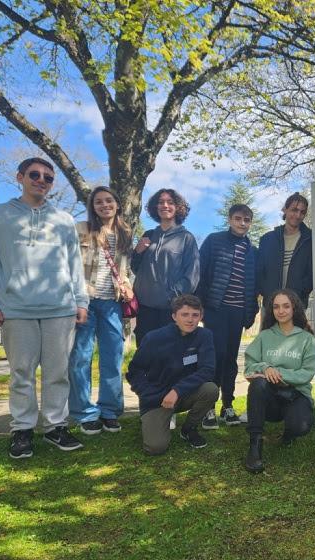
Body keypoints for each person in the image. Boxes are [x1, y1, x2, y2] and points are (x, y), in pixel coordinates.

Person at [0, 157, 89, 459]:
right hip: (15, 308)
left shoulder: (64, 220)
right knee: (21, 373)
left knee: (57, 373)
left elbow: (74, 265)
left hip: (60, 309)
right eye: (35, 175)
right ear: (20, 177)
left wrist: (81, 301)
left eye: (48, 178)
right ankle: (22, 430)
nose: (41, 180)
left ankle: (55, 427)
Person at [68, 186, 134, 435]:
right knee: (81, 358)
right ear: (92, 206)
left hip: (112, 304)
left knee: (113, 358)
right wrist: (76, 298)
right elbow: (69, 265)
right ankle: (85, 412)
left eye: (109, 200)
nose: (104, 205)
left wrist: (127, 285)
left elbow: (123, 269)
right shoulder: (80, 230)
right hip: (85, 300)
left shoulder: (125, 232)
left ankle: (109, 411)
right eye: (98, 202)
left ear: (117, 203)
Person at [126, 294, 218, 455]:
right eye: (185, 314)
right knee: (155, 447)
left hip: (183, 394)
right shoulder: (154, 338)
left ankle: (188, 429)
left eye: (195, 315)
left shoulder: (205, 336)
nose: (190, 320)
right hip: (158, 398)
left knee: (211, 389)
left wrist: (177, 390)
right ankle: (156, 420)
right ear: (174, 316)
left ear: (201, 317)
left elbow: (207, 370)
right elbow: (135, 371)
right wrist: (148, 394)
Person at [243, 289, 315, 473]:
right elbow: (248, 367)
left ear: (294, 308)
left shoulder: (307, 339)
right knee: (258, 384)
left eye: (286, 306)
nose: (281, 311)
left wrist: (279, 373)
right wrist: (265, 368)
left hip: (296, 395)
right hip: (270, 397)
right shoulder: (264, 336)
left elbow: (306, 373)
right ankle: (255, 445)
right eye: (276, 307)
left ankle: (289, 433)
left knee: (300, 427)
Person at [196, 203, 259, 428]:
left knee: (231, 359)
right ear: (230, 219)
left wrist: (251, 311)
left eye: (247, 220)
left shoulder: (252, 251)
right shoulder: (214, 241)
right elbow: (200, 272)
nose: (242, 223)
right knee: (216, 356)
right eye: (238, 218)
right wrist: (199, 305)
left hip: (237, 314)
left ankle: (228, 405)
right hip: (215, 310)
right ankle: (208, 407)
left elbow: (254, 285)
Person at [131, 188, 200, 345]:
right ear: (156, 207)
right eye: (160, 202)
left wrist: (173, 296)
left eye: (170, 202)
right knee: (145, 354)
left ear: (178, 207)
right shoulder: (148, 235)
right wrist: (138, 253)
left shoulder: (186, 238)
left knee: (169, 356)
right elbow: (136, 269)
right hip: (145, 308)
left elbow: (192, 276)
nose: (165, 205)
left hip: (171, 310)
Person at [257, 192, 312, 308]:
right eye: (294, 210)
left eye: (302, 212)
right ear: (285, 210)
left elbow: (312, 275)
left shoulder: (311, 240)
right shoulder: (267, 240)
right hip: (270, 306)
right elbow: (259, 272)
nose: (298, 215)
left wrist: (298, 294)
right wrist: (267, 292)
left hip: (297, 306)